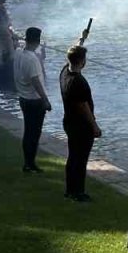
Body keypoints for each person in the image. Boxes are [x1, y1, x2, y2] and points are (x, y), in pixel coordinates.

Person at [59, 38, 101, 202]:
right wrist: (94, 126)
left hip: (69, 122)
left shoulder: (65, 72)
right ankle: (79, 192)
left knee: (72, 157)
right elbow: (84, 107)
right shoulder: (79, 82)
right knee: (81, 160)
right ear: (82, 61)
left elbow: (73, 53)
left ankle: (69, 190)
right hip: (81, 126)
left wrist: (81, 39)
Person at [14, 27, 52, 173]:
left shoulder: (18, 53)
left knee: (28, 132)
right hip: (34, 101)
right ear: (38, 40)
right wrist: (45, 100)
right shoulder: (32, 59)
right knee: (34, 134)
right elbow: (36, 81)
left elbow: (16, 45)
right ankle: (30, 164)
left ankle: (28, 163)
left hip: (23, 98)